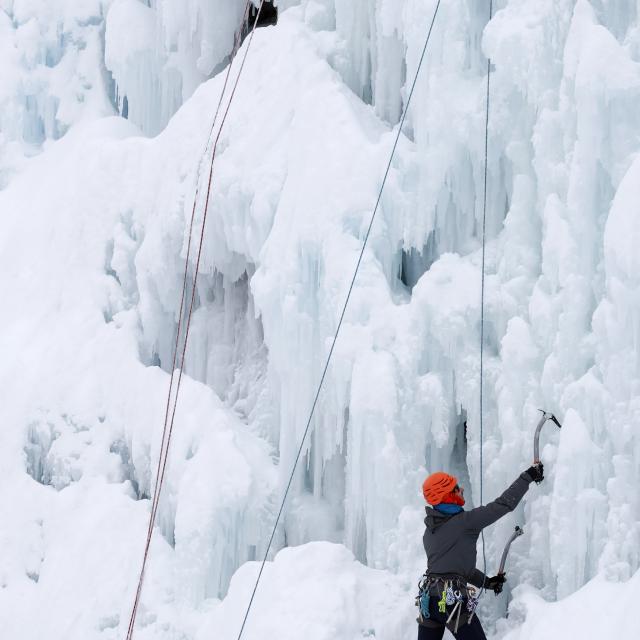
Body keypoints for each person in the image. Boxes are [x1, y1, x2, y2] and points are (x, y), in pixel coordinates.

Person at [417, 464, 544, 639]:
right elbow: (503, 504)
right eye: (455, 488)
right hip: (451, 601)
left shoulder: (429, 531)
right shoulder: (465, 522)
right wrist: (528, 476)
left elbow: (456, 568)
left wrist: (488, 582)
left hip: (429, 602)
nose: (461, 489)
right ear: (446, 496)